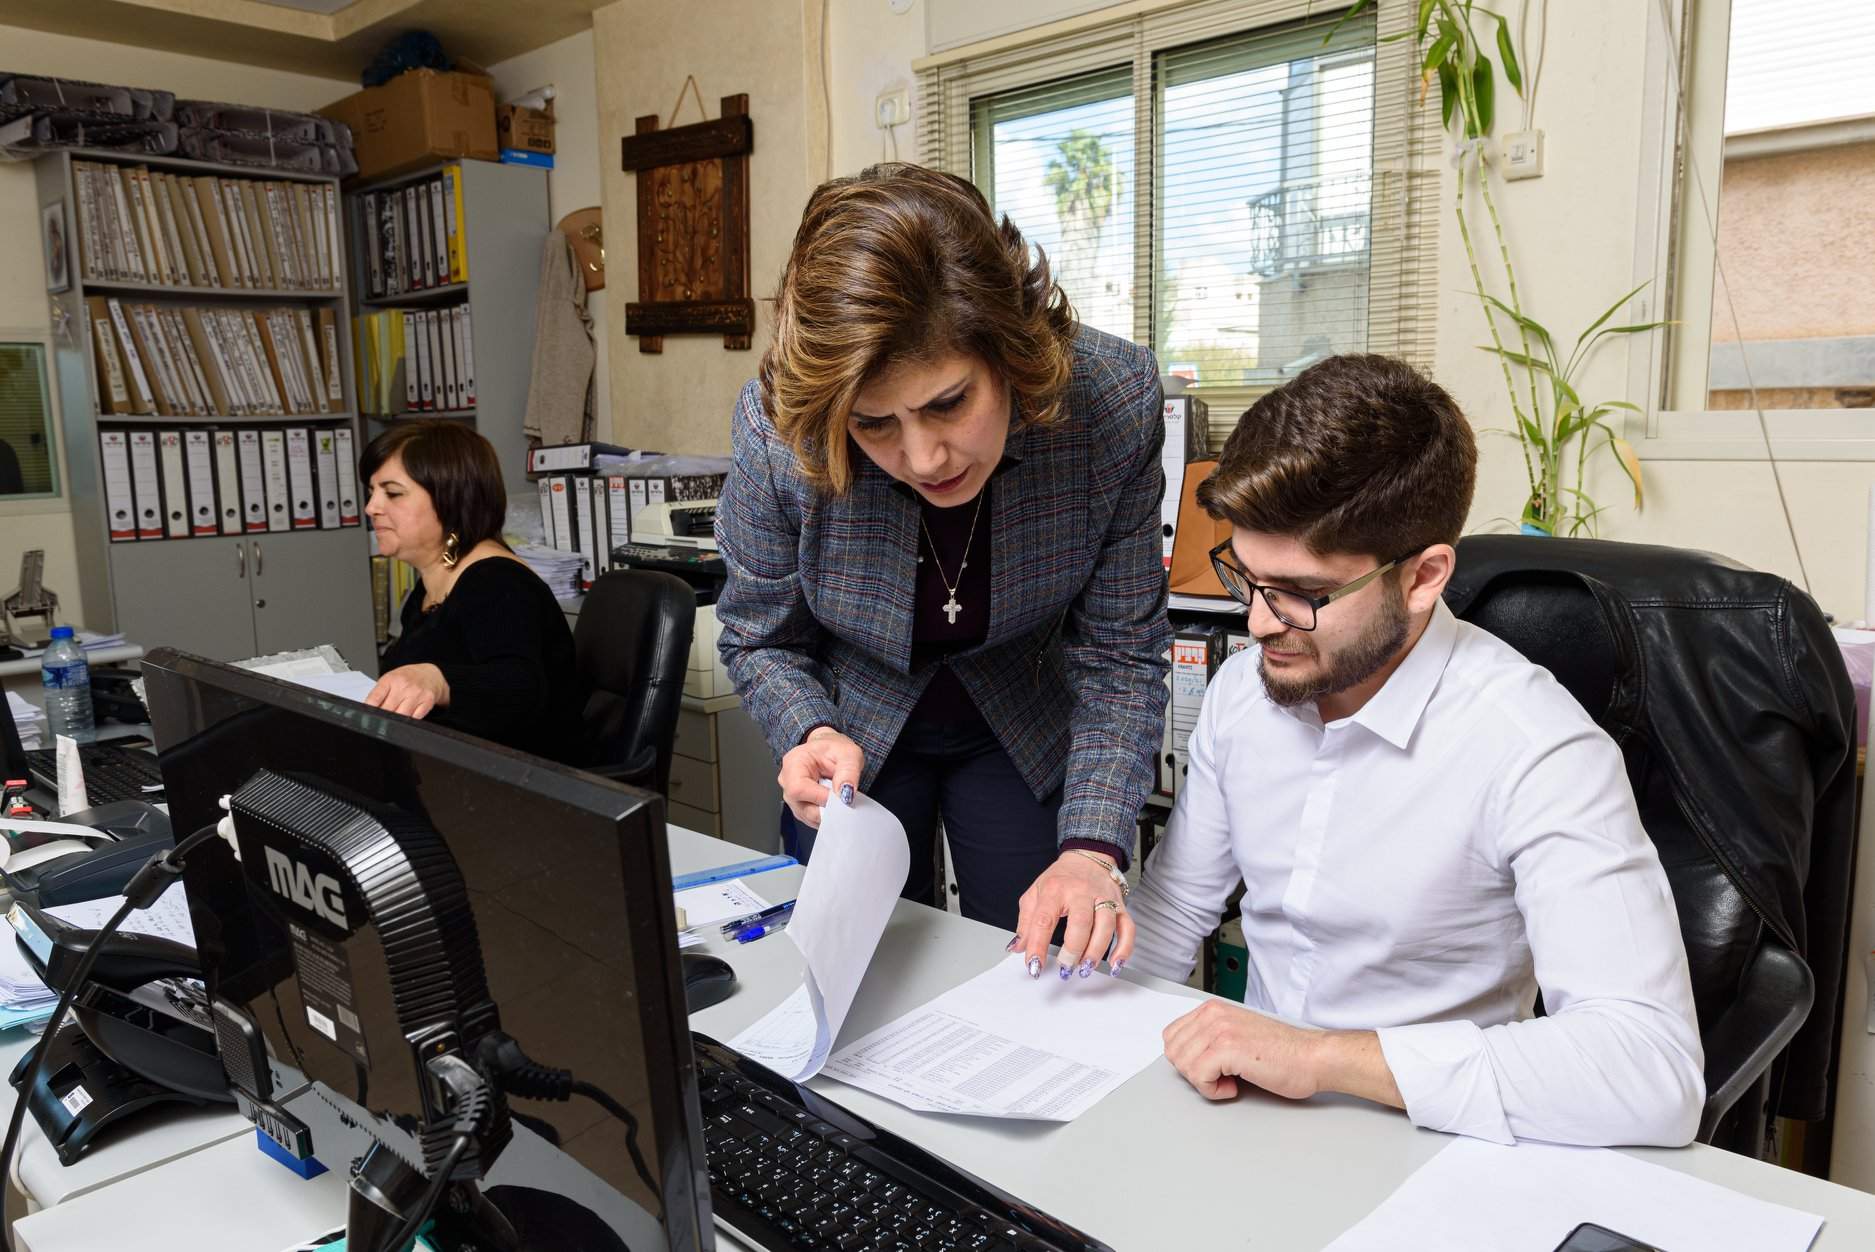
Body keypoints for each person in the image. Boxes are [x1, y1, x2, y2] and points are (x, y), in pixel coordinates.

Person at [1123, 354, 1705, 1147]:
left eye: (1302, 594)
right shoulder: (1240, 696)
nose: (1257, 623)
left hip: (1439, 1141)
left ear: (1424, 577)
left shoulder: (1536, 748)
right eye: (1245, 577)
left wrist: (1320, 1059)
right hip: (1244, 1120)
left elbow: (1651, 1071)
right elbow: (1169, 916)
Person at [714, 163, 1169, 968]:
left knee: (1036, 961)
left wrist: (1092, 851)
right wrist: (809, 729)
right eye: (874, 424)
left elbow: (1119, 654)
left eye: (949, 403)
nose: (923, 457)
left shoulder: (1111, 402)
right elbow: (760, 637)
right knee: (853, 969)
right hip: (852, 720)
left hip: (1020, 713)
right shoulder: (780, 430)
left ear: (1010, 353)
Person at [362, 420, 585, 763]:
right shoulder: (433, 581)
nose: (372, 507)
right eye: (372, 492)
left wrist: (438, 681)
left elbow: (520, 687)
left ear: (449, 499)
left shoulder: (498, 582)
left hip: (516, 780)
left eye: (392, 493)